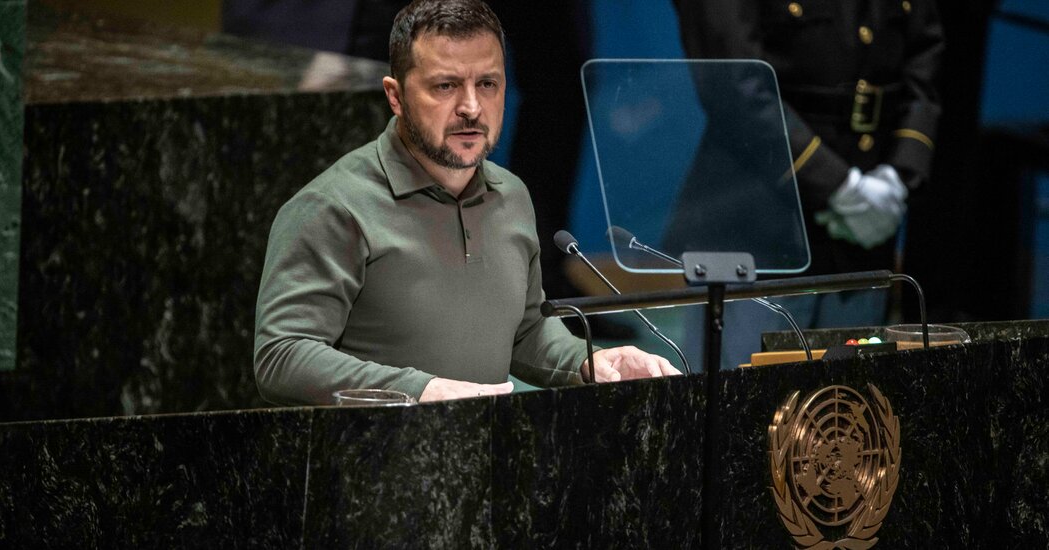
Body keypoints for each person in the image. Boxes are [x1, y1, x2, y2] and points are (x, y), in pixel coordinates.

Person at [253, 0, 679, 405]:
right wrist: (420, 390)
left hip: (486, 450)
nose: (472, 107)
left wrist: (587, 361)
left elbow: (525, 331)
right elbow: (282, 355)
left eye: (487, 84)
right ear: (395, 96)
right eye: (446, 86)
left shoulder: (512, 196)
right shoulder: (333, 206)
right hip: (371, 453)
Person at [670, 0, 944, 368]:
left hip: (867, 231)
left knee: (853, 399)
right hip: (759, 224)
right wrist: (838, 186)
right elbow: (732, 81)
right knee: (739, 399)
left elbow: (925, 52)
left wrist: (899, 172)